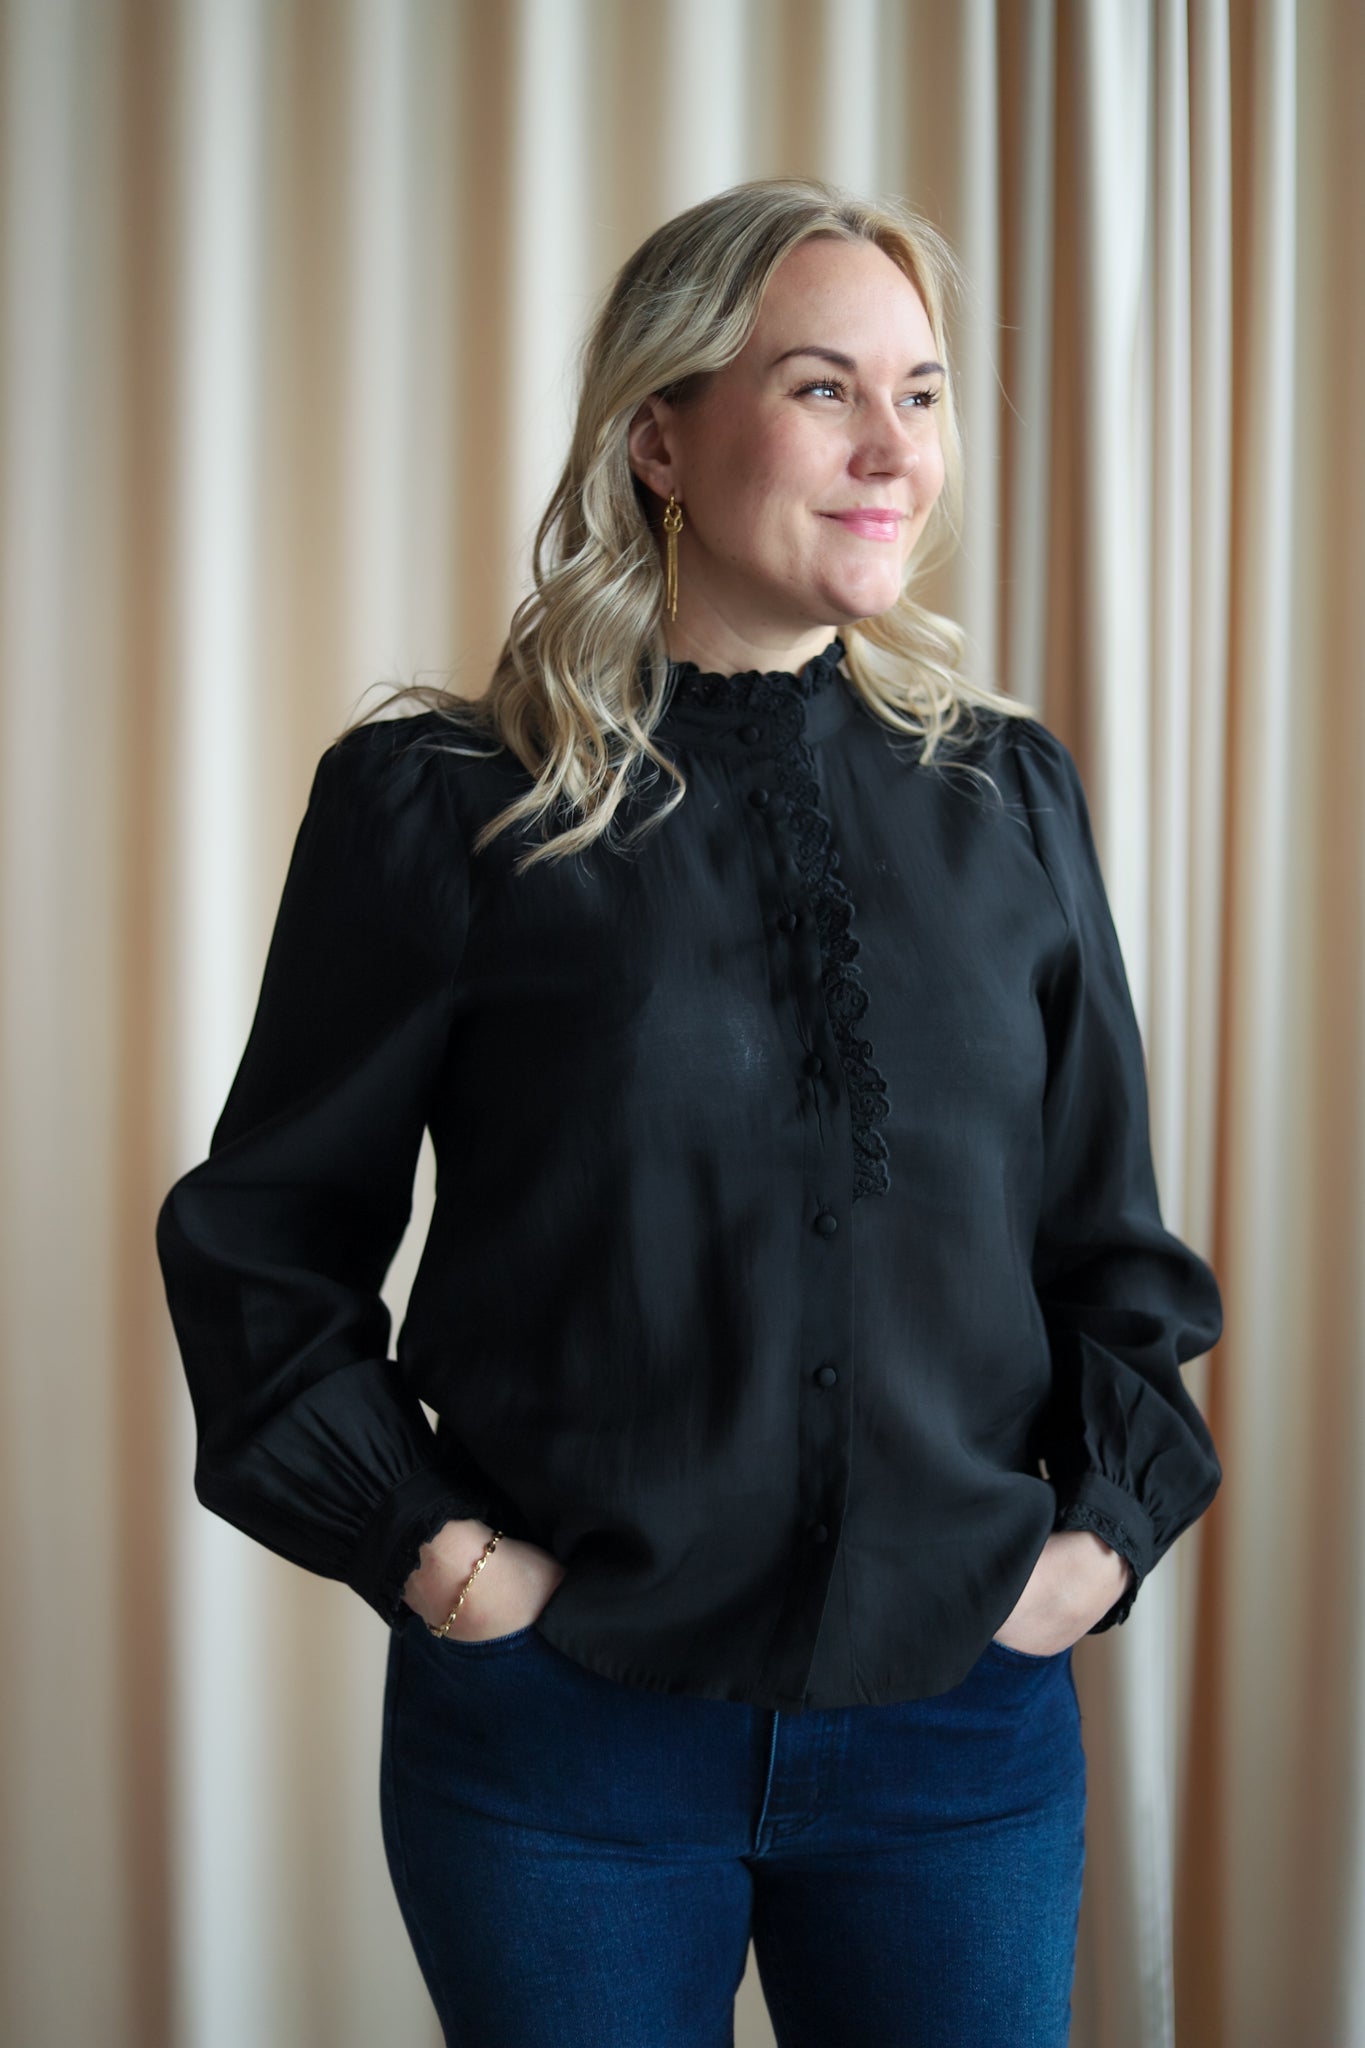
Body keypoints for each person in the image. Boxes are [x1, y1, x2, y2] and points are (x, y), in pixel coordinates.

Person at [156, 177, 1224, 2048]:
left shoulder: (1010, 797)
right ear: (659, 436)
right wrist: (440, 1560)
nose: (891, 449)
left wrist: (1092, 1549)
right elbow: (264, 1242)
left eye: (920, 393)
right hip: (564, 1749)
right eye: (822, 389)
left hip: (959, 1742)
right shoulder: (449, 800)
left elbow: (1105, 1246)